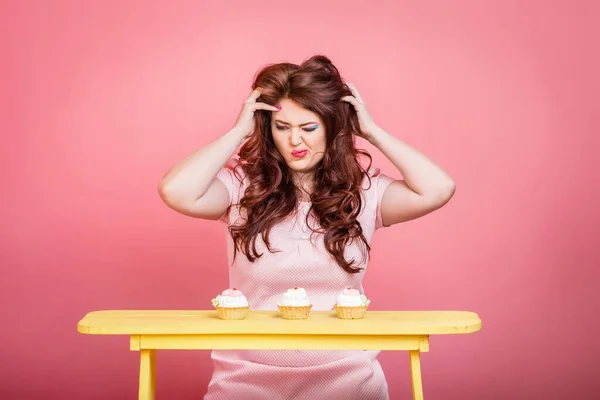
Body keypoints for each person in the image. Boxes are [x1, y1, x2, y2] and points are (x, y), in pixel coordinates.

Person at [158, 55, 456, 400]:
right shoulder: (241, 188)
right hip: (247, 382)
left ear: (332, 127)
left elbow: (439, 188)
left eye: (308, 128)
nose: (294, 141)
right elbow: (174, 190)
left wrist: (371, 131)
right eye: (282, 127)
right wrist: (239, 130)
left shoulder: (364, 194)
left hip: (347, 381)